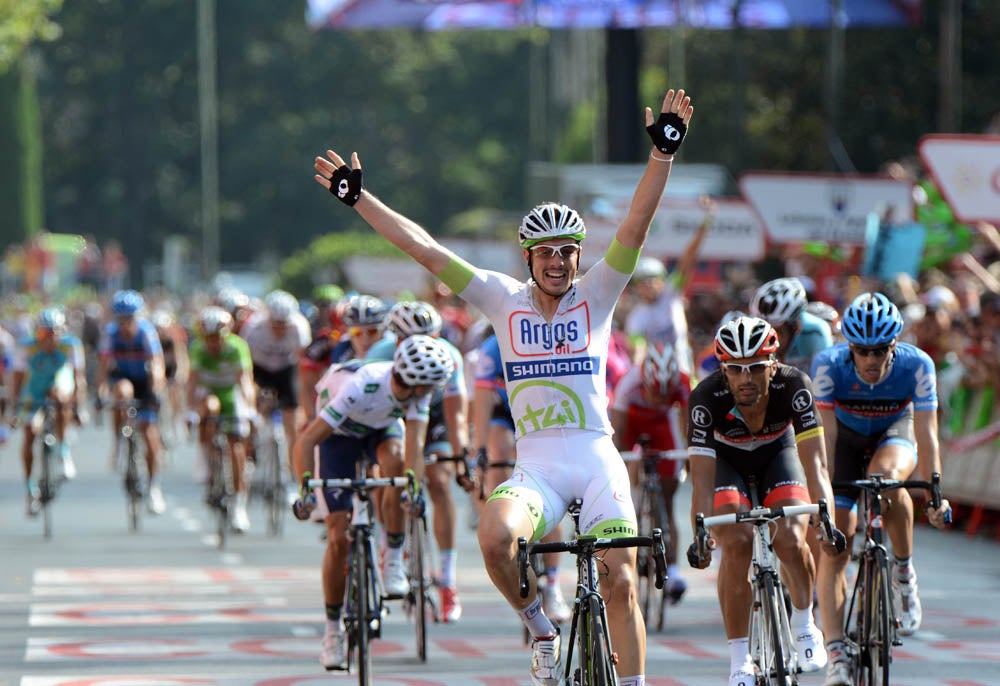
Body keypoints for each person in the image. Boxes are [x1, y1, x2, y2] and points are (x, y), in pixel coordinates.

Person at [314, 86, 694, 686]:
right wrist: (361, 200)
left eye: (568, 252)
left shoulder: (599, 293)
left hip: (596, 459)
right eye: (546, 252)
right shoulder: (499, 298)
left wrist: (663, 155)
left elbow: (637, 223)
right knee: (495, 539)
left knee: (621, 581)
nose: (558, 261)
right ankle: (541, 627)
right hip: (537, 467)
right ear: (527, 255)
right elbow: (424, 247)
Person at [686, 316, 837, 686]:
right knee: (735, 543)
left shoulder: (794, 386)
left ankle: (804, 624)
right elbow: (702, 483)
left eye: (755, 368)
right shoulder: (705, 398)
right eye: (735, 370)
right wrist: (700, 534)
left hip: (778, 455)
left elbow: (815, 464)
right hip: (728, 462)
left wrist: (826, 516)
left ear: (773, 364)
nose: (745, 379)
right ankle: (739, 659)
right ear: (723, 369)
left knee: (790, 538)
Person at [810, 293, 952, 686]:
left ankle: (904, 575)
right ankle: (836, 652)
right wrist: (823, 499)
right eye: (861, 351)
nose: (870, 360)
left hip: (894, 432)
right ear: (849, 347)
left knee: (889, 480)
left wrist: (934, 495)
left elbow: (927, 435)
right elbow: (826, 440)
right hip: (846, 440)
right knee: (834, 541)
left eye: (880, 350)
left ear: (894, 345)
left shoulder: (917, 364)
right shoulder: (828, 365)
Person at [291, 334, 454, 670]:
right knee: (338, 537)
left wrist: (412, 489)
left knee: (397, 463)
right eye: (430, 388)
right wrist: (304, 490)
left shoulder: (415, 393)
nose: (432, 395)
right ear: (414, 383)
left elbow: (414, 445)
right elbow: (306, 440)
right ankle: (333, 631)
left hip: (379, 431)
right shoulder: (360, 385)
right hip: (338, 435)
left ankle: (393, 558)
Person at [367, 300, 473, 621]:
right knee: (391, 472)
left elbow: (456, 415)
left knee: (439, 482)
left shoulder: (450, 356)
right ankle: (392, 549)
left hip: (434, 412)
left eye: (432, 338)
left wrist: (462, 455)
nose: (426, 347)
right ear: (397, 340)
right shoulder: (380, 356)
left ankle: (447, 579)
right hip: (393, 412)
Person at [470, 329, 572, 625]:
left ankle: (552, 584)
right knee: (497, 447)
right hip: (505, 410)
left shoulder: (548, 338)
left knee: (548, 491)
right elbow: (481, 401)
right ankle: (505, 509)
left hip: (544, 409)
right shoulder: (492, 348)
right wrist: (481, 451)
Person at [610, 341, 690, 604]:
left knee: (666, 501)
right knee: (625, 473)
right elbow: (618, 436)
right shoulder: (628, 383)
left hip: (661, 428)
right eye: (654, 392)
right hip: (632, 423)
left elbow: (688, 426)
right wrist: (617, 470)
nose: (658, 398)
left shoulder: (682, 382)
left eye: (663, 394)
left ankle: (674, 571)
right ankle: (633, 519)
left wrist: (689, 459)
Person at [622, 196, 713, 373]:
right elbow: (638, 349)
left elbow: (689, 257)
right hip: (656, 378)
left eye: (652, 280)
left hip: (683, 371)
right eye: (642, 283)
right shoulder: (636, 317)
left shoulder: (672, 292)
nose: (648, 286)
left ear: (662, 281)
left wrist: (706, 221)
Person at [97, 290, 168, 515]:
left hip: (145, 382)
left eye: (130, 319)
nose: (126, 324)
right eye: (121, 319)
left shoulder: (146, 332)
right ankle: (118, 441)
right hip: (123, 379)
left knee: (149, 434)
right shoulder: (110, 334)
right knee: (121, 392)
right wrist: (99, 393)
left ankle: (154, 487)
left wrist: (156, 390)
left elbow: (157, 364)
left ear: (138, 317)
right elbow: (102, 368)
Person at [10, 308, 86, 515]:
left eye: (53, 333)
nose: (49, 339)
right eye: (44, 334)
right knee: (30, 432)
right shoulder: (27, 347)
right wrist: (14, 408)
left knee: (60, 396)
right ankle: (30, 490)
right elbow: (16, 379)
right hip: (33, 393)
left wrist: (80, 407)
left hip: (59, 386)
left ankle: (63, 452)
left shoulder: (71, 345)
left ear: (62, 332)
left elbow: (79, 378)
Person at [186, 306, 256, 532]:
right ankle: (206, 456)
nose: (214, 343)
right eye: (209, 338)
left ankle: (238, 504)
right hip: (209, 394)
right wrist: (189, 411)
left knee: (236, 449)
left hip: (231, 393)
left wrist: (250, 409)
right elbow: (192, 382)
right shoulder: (197, 349)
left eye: (218, 338)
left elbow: (245, 381)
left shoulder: (237, 347)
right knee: (209, 407)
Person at [241, 289, 312, 485]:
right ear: (267, 318)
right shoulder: (254, 328)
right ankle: (249, 453)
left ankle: (291, 473)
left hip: (285, 370)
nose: (280, 329)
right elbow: (245, 367)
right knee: (252, 412)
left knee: (292, 422)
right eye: (276, 324)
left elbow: (302, 366)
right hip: (260, 369)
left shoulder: (299, 328)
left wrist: (300, 399)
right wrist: (251, 395)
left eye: (284, 324)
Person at [750, 277, 833, 374]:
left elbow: (824, 379)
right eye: (762, 332)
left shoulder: (815, 332)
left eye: (778, 332)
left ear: (796, 327)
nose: (768, 340)